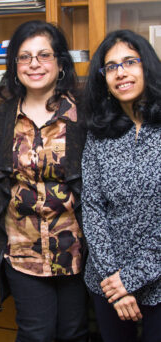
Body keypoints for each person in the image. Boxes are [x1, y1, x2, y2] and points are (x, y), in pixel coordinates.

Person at [0, 20, 89, 342]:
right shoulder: (1, 119)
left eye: (43, 55)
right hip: (22, 251)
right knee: (36, 334)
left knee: (74, 333)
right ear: (14, 65)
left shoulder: (83, 114)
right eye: (24, 56)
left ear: (60, 63)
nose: (33, 64)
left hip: (75, 250)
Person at [81, 29, 161, 342]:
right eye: (111, 67)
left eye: (129, 62)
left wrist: (132, 277)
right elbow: (92, 207)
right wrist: (115, 281)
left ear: (147, 67)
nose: (120, 73)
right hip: (108, 282)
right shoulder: (100, 133)